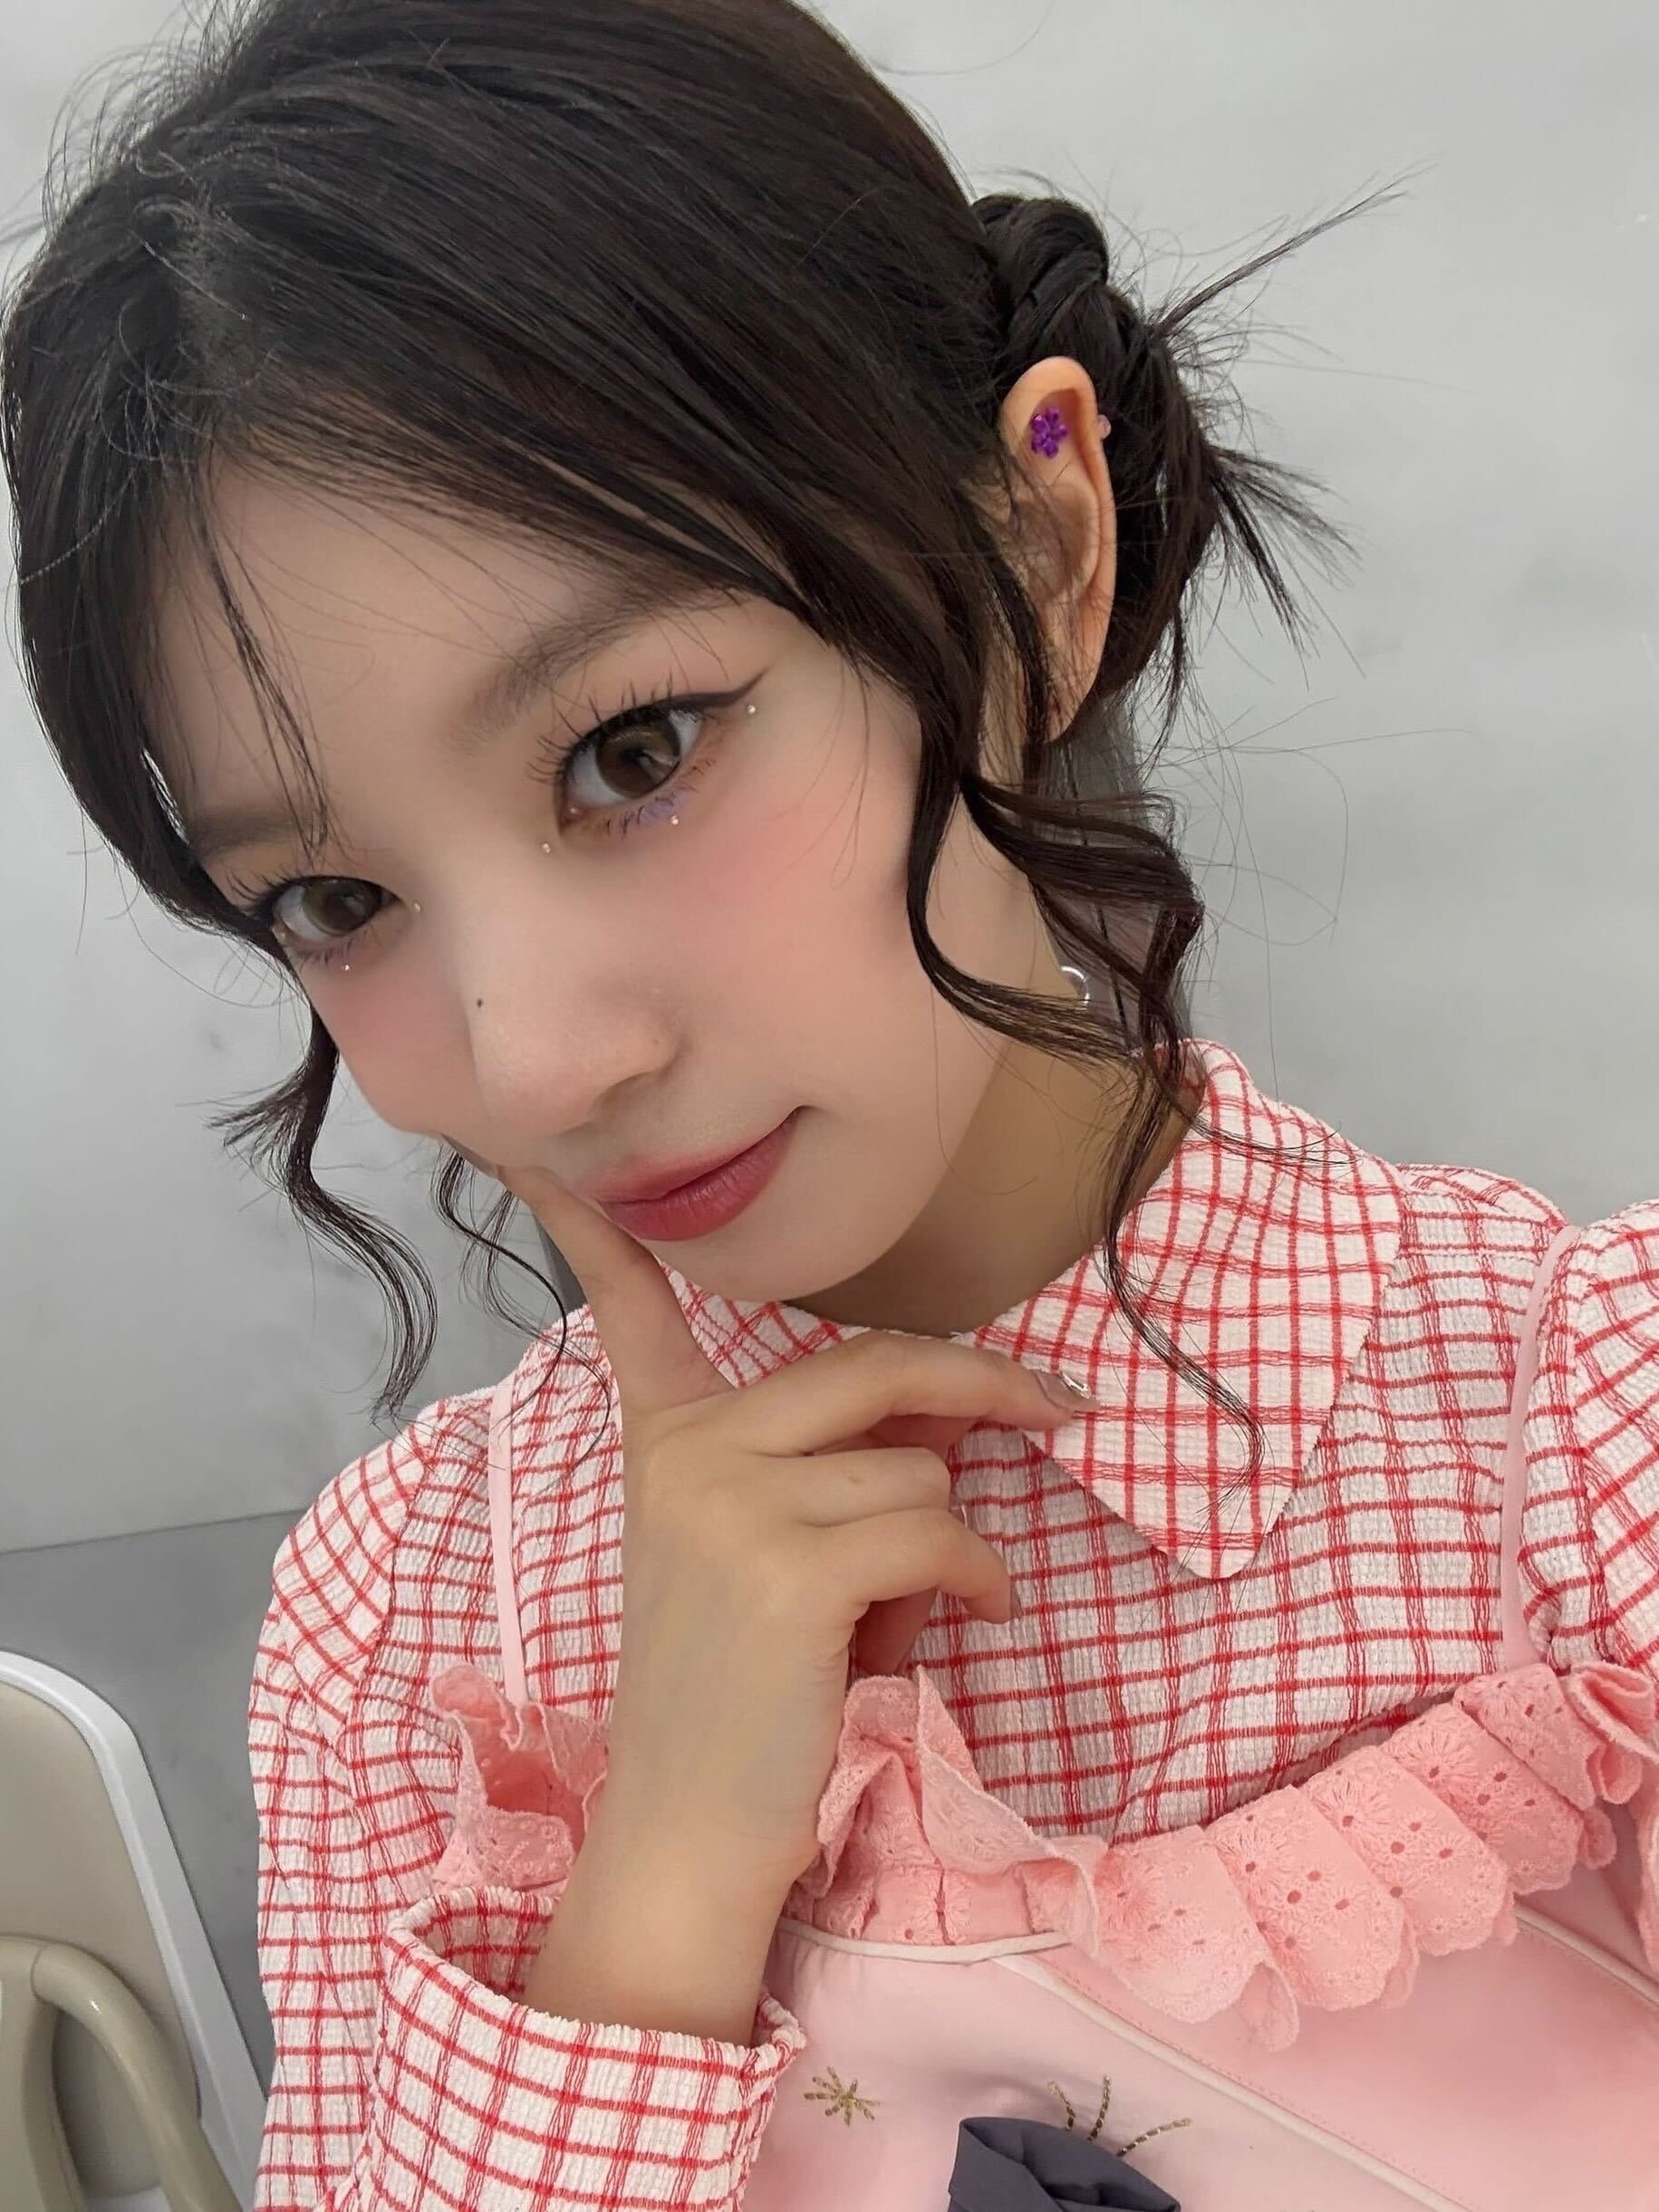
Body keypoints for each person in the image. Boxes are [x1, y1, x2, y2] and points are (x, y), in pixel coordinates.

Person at [4, 2, 1654, 2206]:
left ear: (1037, 558)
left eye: (634, 751)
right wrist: (662, 1881)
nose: (534, 1060)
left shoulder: (1586, 1454)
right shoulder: (410, 1624)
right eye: (333, 897)